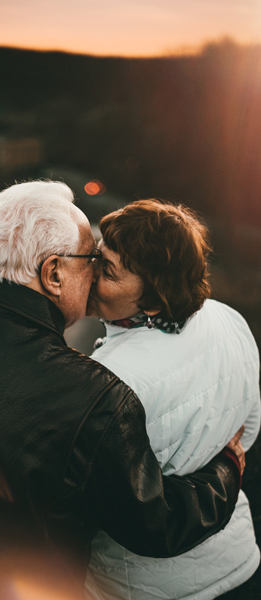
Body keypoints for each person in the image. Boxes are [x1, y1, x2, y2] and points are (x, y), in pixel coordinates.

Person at [0, 182, 244, 599]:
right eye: (91, 258)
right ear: (54, 273)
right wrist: (226, 469)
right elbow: (157, 523)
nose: (97, 270)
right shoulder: (91, 396)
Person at [85, 199, 260, 600]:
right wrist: (222, 463)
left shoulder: (106, 379)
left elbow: (101, 508)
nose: (90, 274)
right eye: (97, 256)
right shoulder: (229, 318)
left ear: (152, 300)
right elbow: (246, 433)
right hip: (239, 562)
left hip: (145, 587)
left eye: (107, 270)